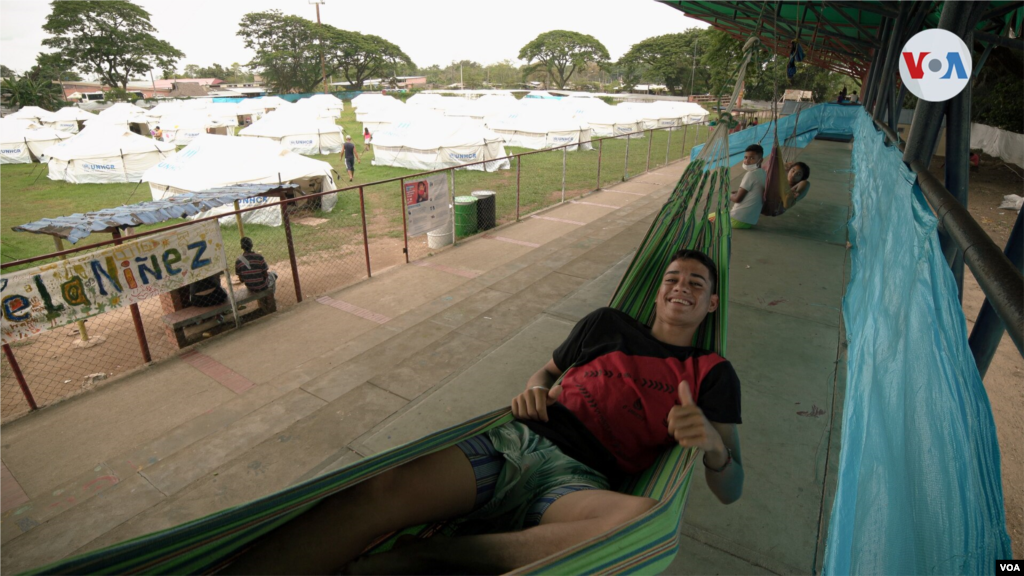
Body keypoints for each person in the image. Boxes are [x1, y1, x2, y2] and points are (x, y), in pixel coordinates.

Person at [226, 250, 743, 575]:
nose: (681, 287)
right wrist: (534, 390)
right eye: (673, 278)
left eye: (697, 283)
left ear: (713, 304)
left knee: (644, 521)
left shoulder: (712, 372)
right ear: (658, 290)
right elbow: (545, 373)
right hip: (519, 441)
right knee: (379, 492)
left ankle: (435, 555)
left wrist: (713, 446)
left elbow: (731, 488)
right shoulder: (606, 322)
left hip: (581, 482)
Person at [727, 144, 767, 229]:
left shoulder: (751, 174)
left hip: (736, 220)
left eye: (752, 158)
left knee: (709, 218)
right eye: (745, 157)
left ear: (760, 160)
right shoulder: (763, 173)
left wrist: (728, 195)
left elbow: (737, 199)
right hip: (749, 222)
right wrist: (738, 192)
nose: (747, 161)